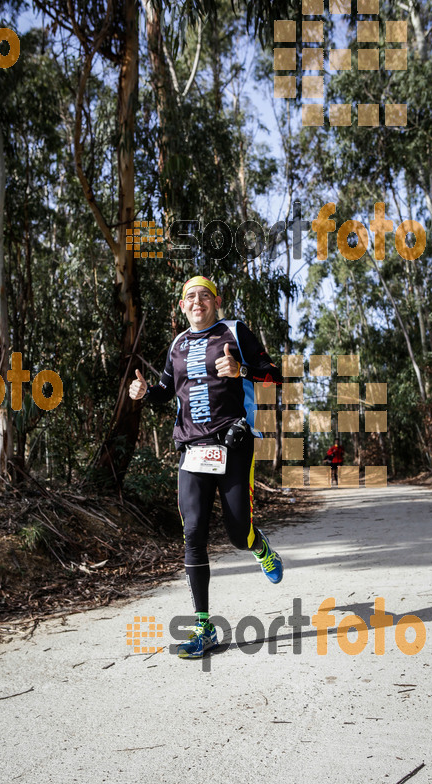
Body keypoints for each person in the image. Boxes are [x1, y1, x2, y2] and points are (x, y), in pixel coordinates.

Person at [129, 276, 284, 659]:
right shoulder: (177, 345)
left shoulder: (234, 332)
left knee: (236, 533)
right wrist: (145, 393)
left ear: (216, 301)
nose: (197, 302)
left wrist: (241, 372)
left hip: (233, 445)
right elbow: (166, 390)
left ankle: (258, 544)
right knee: (193, 532)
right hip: (192, 451)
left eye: (204, 296)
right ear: (182, 306)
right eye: (189, 297)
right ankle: (204, 627)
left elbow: (274, 375)